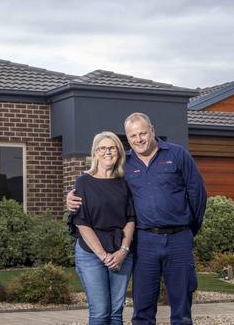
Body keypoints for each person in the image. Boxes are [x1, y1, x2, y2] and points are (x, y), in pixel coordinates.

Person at [67, 112, 207, 325]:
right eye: (133, 136)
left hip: (179, 239)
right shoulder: (126, 164)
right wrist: (71, 197)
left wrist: (189, 230)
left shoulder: (178, 155)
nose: (139, 139)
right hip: (144, 242)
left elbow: (197, 194)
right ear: (127, 137)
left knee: (181, 309)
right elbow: (98, 186)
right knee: (142, 309)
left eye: (143, 133)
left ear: (152, 130)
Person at [67, 131, 136, 325]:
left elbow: (131, 218)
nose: (108, 152)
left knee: (116, 312)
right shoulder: (83, 182)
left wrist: (123, 251)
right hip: (91, 253)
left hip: (121, 251)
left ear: (119, 152)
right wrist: (103, 256)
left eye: (112, 147)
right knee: (100, 312)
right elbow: (82, 222)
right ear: (95, 153)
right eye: (103, 148)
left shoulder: (125, 182)